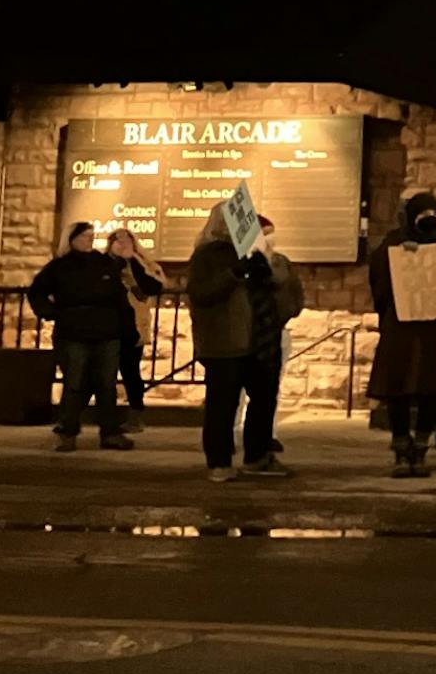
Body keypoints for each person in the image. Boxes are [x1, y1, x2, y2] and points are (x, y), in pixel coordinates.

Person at [188, 203, 302, 482]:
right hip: (226, 341)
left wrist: (269, 269)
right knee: (222, 404)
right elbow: (202, 294)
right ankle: (219, 461)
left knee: (263, 400)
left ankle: (258, 456)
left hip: (261, 338)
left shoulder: (260, 253)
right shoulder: (208, 256)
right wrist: (235, 273)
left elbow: (284, 296)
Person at [367, 191, 436, 478]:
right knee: (399, 390)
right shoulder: (392, 245)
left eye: (433, 215)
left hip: (432, 331)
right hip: (402, 330)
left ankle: (420, 447)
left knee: (431, 391)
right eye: (423, 216)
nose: (429, 221)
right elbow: (379, 280)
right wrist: (401, 258)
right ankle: (400, 446)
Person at [27, 221, 133, 452]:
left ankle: (109, 432)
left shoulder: (104, 264)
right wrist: (52, 313)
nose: (89, 240)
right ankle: (67, 430)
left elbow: (119, 298)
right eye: (85, 236)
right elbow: (37, 292)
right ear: (72, 239)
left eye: (91, 236)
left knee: (106, 384)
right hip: (74, 332)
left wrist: (125, 328)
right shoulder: (60, 267)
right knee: (75, 382)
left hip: (105, 331)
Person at [106, 228, 163, 436]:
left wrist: (133, 261)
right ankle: (107, 419)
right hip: (108, 325)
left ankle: (135, 416)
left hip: (134, 325)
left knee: (131, 372)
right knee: (104, 374)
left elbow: (153, 286)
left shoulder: (143, 264)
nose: (121, 245)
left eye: (126, 241)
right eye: (117, 241)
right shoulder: (103, 264)